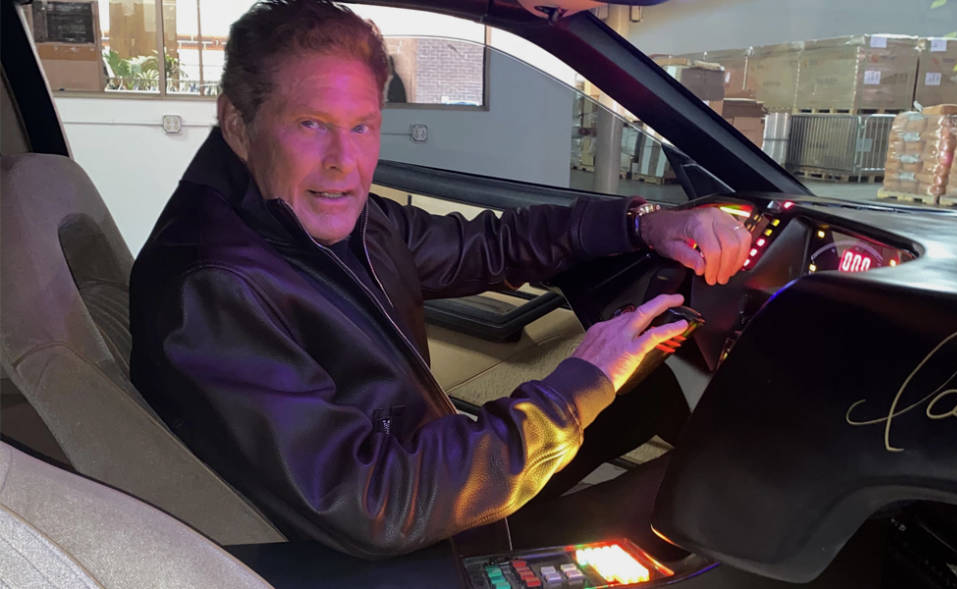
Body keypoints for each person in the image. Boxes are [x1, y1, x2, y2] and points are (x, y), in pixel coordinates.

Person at [129, 0, 751, 559]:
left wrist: (643, 223)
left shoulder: (336, 220)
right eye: (310, 124)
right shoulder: (211, 287)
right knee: (700, 495)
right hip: (405, 547)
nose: (344, 163)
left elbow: (494, 245)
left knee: (646, 394)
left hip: (425, 474)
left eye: (361, 126)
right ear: (238, 125)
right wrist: (579, 382)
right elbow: (375, 504)